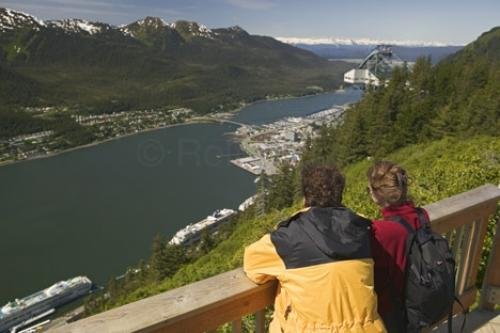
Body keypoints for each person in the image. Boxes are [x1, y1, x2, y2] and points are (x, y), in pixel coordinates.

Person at [243, 164, 386, 333]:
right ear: (340, 194)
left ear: (305, 196)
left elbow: (252, 265)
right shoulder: (362, 229)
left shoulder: (289, 238)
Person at [367, 161, 429, 333]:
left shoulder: (380, 231)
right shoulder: (422, 215)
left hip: (393, 309)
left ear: (377, 195)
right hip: (420, 296)